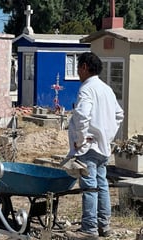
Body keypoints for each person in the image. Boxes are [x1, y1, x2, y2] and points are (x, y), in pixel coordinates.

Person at [65, 52, 124, 240]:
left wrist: (81, 139)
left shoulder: (86, 89)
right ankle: (103, 225)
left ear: (84, 67)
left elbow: (82, 116)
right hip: (103, 147)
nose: (77, 71)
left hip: (89, 147)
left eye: (78, 67)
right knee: (102, 185)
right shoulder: (106, 88)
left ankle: (89, 228)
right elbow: (118, 115)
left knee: (90, 186)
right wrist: (106, 135)